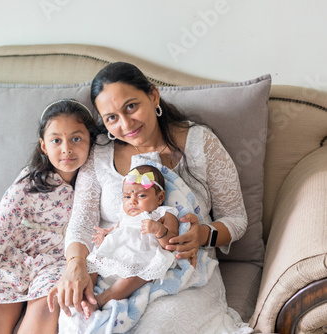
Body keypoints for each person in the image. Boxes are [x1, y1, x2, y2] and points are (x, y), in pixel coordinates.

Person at [48, 62, 252, 333]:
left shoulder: (199, 143)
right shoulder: (99, 153)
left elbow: (236, 219)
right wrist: (75, 266)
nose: (125, 124)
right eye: (111, 118)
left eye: (131, 106)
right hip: (114, 265)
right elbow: (82, 221)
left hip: (180, 271)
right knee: (76, 317)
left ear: (153, 96)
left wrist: (203, 235)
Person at [0, 99, 98, 334]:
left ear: (91, 140)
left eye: (76, 139)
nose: (67, 149)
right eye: (56, 140)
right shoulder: (28, 184)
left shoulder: (95, 178)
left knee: (44, 312)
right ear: (43, 146)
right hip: (16, 258)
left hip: (60, 262)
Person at [81, 164, 179, 318]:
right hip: (118, 251)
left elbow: (171, 244)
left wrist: (159, 230)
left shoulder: (163, 213)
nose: (132, 201)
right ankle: (86, 292)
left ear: (160, 198)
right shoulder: (125, 215)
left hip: (142, 255)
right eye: (127, 196)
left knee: (135, 275)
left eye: (141, 196)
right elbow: (119, 229)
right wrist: (105, 233)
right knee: (91, 262)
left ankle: (101, 300)